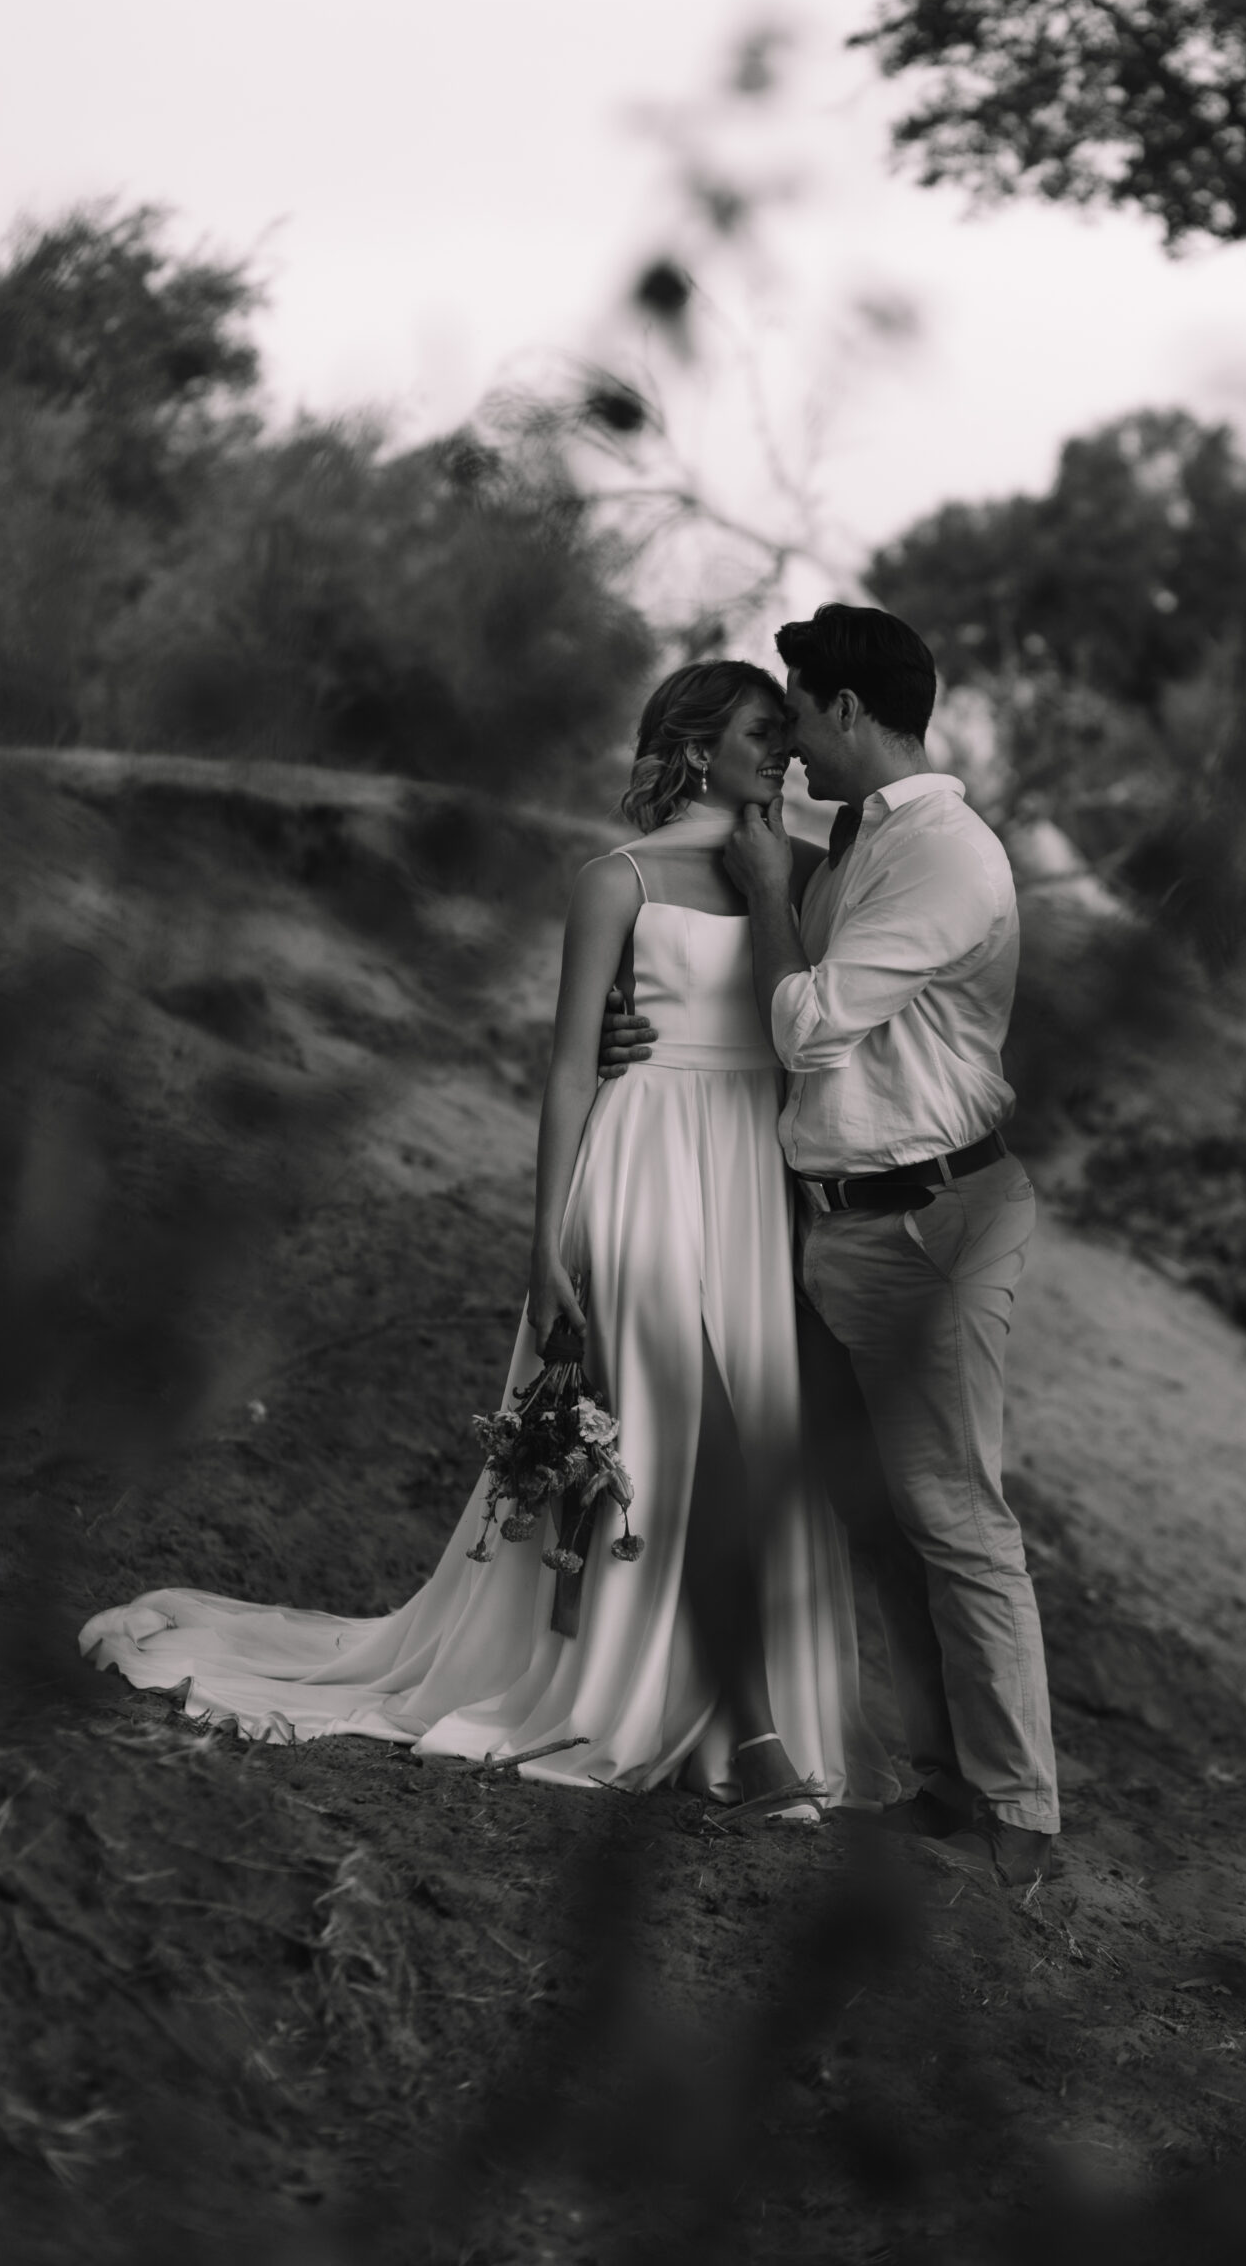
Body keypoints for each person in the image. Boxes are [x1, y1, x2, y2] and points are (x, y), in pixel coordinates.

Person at [81, 662, 894, 1820]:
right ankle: (746, 1724)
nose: (787, 751)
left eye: (789, 731)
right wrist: (544, 1241)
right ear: (697, 744)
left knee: (753, 1447)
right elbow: (570, 1065)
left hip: (753, 1173)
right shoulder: (615, 881)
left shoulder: (806, 878)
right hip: (645, 1164)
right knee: (686, 1426)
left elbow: (822, 1026)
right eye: (764, 732)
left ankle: (731, 1704)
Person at [600, 606, 1059, 1887]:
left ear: (849, 713)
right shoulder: (862, 834)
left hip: (931, 1218)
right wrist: (623, 1036)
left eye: (798, 709)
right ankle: (940, 1786)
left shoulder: (946, 859)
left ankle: (1017, 1819)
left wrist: (757, 890)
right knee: (883, 1515)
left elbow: (806, 1024)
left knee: (956, 1515)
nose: (789, 738)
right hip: (842, 1220)